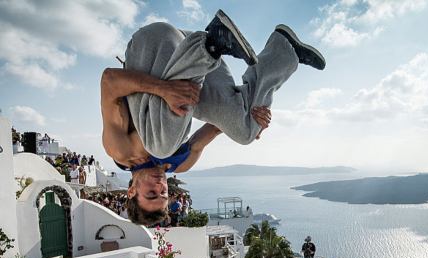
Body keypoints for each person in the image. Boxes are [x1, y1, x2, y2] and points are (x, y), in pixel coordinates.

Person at [100, 9, 325, 226]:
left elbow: (109, 81)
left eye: (151, 193)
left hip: (154, 46)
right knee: (245, 132)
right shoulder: (181, 164)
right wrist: (255, 120)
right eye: (164, 194)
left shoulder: (121, 150)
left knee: (161, 147)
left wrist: (163, 89)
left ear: (131, 191)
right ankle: (284, 49)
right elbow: (216, 127)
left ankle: (209, 45)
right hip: (197, 61)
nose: (160, 186)